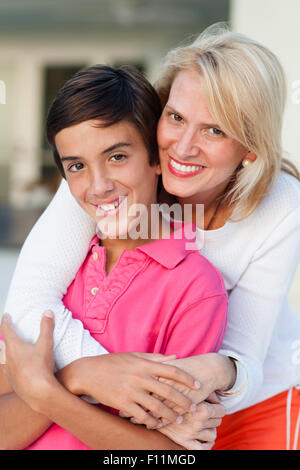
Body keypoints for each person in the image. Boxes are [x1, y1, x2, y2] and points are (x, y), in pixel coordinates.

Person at [2, 23, 300, 449]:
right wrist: (101, 379)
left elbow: (245, 357)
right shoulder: (113, 174)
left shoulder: (282, 204)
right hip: (143, 413)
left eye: (214, 130)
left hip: (251, 399)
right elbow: (30, 302)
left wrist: (192, 384)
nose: (183, 147)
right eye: (176, 117)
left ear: (250, 146)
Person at [0, 64, 228, 450]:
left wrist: (49, 391)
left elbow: (172, 452)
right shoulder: (60, 274)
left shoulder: (194, 287)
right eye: (77, 166)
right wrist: (78, 376)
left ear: (158, 159)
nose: (99, 186)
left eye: (117, 157)